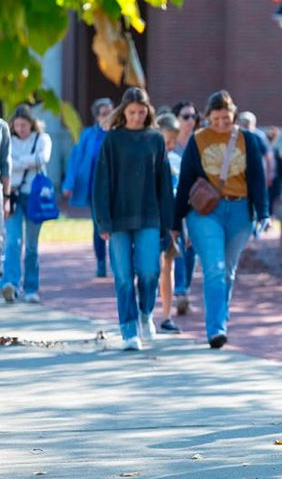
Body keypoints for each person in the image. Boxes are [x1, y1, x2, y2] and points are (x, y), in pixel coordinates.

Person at [174, 90, 269, 349]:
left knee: (227, 271)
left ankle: (220, 318)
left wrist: (264, 213)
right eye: (216, 119)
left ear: (233, 116)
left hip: (240, 213)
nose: (221, 124)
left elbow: (258, 179)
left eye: (225, 119)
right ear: (207, 118)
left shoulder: (247, 140)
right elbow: (184, 183)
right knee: (214, 269)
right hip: (206, 212)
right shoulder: (198, 140)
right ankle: (216, 329)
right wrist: (175, 223)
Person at [92, 89, 174, 351]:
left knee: (150, 271)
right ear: (123, 113)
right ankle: (129, 331)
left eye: (141, 112)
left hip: (149, 215)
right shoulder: (112, 140)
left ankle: (145, 311)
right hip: (117, 219)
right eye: (132, 112)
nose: (137, 117)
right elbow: (101, 183)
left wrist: (168, 224)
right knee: (124, 277)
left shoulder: (155, 139)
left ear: (148, 111)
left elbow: (164, 184)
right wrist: (102, 221)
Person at [3, 105, 52, 304]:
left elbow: (43, 158)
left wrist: (17, 161)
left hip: (34, 197)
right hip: (12, 196)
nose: (21, 128)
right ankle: (10, 285)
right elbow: (5, 165)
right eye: (18, 125)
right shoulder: (8, 140)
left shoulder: (42, 139)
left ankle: (31, 288)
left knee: (31, 245)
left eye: (25, 125)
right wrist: (27, 161)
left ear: (32, 124)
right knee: (12, 242)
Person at [63, 97, 113, 277]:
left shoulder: (118, 133)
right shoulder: (88, 135)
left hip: (114, 189)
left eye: (110, 113)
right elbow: (75, 160)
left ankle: (116, 262)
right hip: (94, 189)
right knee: (99, 225)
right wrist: (68, 184)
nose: (108, 116)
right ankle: (101, 262)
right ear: (97, 116)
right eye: (104, 114)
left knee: (115, 226)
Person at [155, 112, 184, 333]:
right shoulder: (150, 159)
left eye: (174, 141)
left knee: (168, 266)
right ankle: (144, 309)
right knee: (149, 267)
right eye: (167, 141)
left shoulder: (177, 160)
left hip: (170, 220)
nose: (171, 145)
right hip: (151, 218)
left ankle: (166, 314)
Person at [171, 100, 200, 316]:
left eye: (193, 117)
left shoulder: (200, 143)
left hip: (197, 202)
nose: (190, 121)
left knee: (192, 247)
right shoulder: (170, 145)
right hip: (174, 202)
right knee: (179, 241)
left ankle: (185, 287)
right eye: (185, 117)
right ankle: (180, 291)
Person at [265, 126, 282, 217]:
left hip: (275, 180)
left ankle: (271, 218)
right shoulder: (261, 149)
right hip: (263, 181)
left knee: (273, 201)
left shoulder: (277, 151)